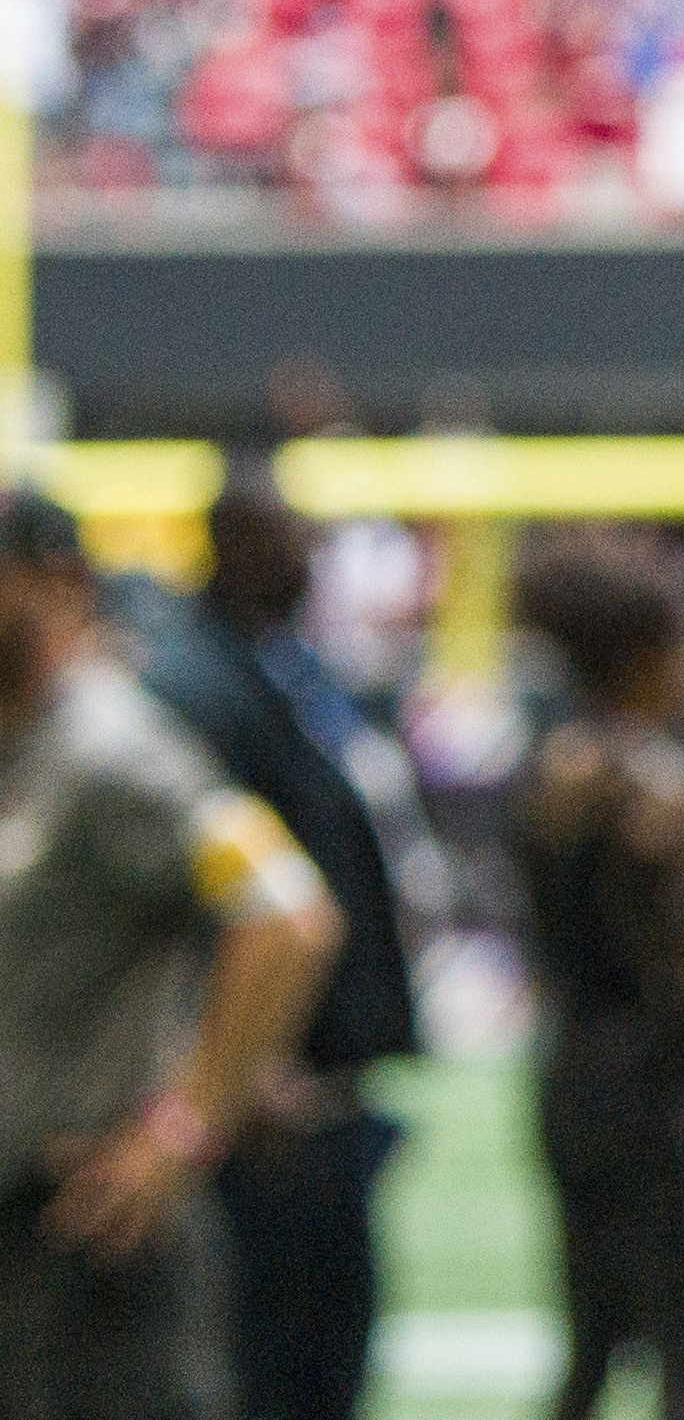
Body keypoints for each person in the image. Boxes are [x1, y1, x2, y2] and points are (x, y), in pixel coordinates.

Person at [0, 489, 344, 1420]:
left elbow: (289, 918)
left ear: (54, 584)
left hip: (79, 1240)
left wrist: (179, 1132)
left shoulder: (111, 747)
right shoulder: (24, 747)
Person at [147, 478, 424, 1420]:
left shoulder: (289, 672)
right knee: (268, 1366)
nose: (308, 557)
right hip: (263, 1105)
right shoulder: (195, 687)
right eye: (287, 538)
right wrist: (238, 1062)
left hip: (321, 1092)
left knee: (327, 1361)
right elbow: (194, 903)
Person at [507, 530, 684, 1420]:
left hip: (570, 1072)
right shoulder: (670, 788)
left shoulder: (548, 773)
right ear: (647, 657)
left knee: (588, 1349)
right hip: (669, 1091)